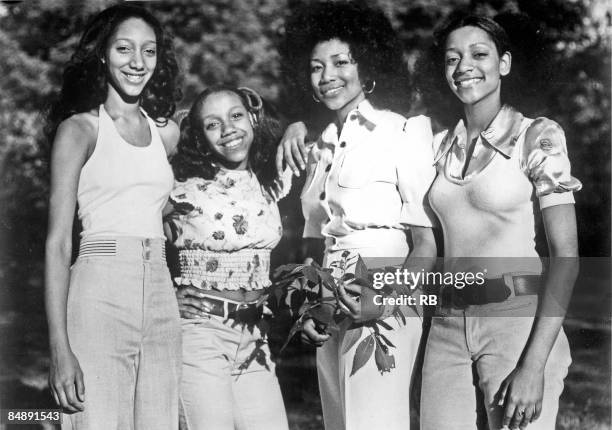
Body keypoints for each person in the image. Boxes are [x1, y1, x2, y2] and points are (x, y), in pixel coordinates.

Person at [415, 13, 581, 430]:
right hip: (447, 326)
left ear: (504, 63)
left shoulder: (536, 136)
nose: (463, 66)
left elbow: (566, 256)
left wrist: (534, 364)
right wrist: (297, 125)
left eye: (479, 54)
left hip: (517, 324)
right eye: (452, 58)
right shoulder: (437, 146)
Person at [277, 2, 437, 429]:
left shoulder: (402, 131)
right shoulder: (319, 146)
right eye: (316, 66)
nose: (327, 75)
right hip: (330, 287)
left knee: (375, 419)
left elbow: (425, 244)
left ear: (368, 66)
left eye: (341, 61)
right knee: (340, 419)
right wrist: (312, 305)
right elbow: (315, 241)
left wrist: (383, 301)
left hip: (388, 282)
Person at [44, 5, 181, 429]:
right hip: (99, 289)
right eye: (124, 49)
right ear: (103, 54)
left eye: (149, 51)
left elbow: (234, 126)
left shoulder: (166, 133)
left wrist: (295, 128)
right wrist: (59, 348)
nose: (137, 62)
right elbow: (58, 242)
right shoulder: (80, 130)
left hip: (160, 291)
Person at [165, 86, 289, 430]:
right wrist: (162, 293)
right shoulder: (181, 187)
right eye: (212, 124)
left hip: (255, 337)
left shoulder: (270, 181)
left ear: (252, 117)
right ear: (200, 136)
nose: (228, 129)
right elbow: (128, 231)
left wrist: (297, 128)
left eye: (235, 116)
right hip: (201, 334)